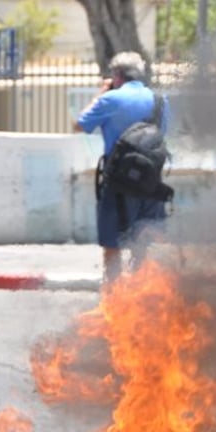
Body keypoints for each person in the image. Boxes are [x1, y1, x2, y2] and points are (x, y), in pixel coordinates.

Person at [73, 51, 170, 283]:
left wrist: (102, 93)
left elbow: (79, 125)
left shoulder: (110, 99)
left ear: (116, 75)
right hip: (151, 181)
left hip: (117, 182)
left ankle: (114, 295)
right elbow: (164, 133)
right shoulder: (159, 101)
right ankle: (141, 296)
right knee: (145, 242)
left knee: (112, 245)